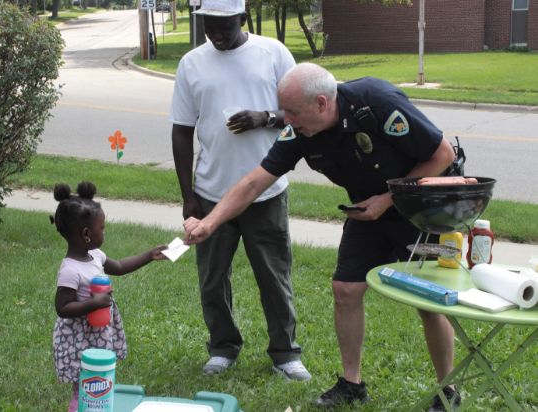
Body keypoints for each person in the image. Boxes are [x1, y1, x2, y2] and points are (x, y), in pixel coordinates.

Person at [182, 63, 461, 412]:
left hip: (417, 209)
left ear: (321, 103)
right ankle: (352, 384)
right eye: (284, 110)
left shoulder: (375, 103)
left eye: (293, 111)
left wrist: (388, 199)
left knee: (427, 302)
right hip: (366, 211)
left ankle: (448, 389)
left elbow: (442, 155)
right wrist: (210, 222)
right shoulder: (300, 129)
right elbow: (255, 181)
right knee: (345, 290)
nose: (286, 118)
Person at [169, 0, 311, 380]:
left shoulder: (273, 53)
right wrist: (188, 196)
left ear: (243, 18)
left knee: (274, 275)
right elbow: (182, 130)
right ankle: (222, 347)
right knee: (212, 277)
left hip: (265, 191)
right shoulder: (191, 64)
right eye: (207, 25)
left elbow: (302, 113)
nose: (214, 32)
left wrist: (264, 118)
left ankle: (285, 354)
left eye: (223, 25)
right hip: (211, 191)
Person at [50, 181, 168, 412]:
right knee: (84, 381)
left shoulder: (94, 254)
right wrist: (94, 303)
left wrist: (149, 255)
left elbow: (121, 266)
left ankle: (96, 405)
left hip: (96, 330)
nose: (104, 232)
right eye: (101, 228)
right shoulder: (70, 270)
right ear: (86, 234)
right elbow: (62, 307)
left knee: (99, 378)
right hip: (79, 337)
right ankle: (78, 407)